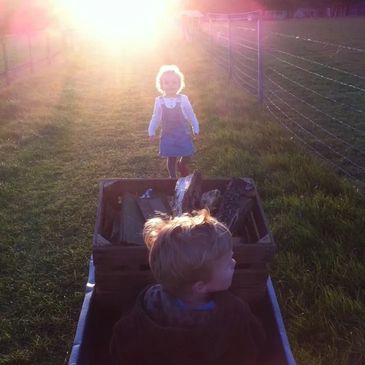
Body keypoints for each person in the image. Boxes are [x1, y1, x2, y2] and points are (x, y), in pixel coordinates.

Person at [110, 210, 266, 365]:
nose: (234, 263)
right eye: (227, 264)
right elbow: (252, 346)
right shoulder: (233, 314)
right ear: (200, 287)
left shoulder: (143, 309)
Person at [148, 64, 199, 178]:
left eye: (174, 82)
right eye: (167, 83)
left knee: (188, 153)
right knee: (171, 156)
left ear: (179, 84)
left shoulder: (183, 99)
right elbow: (155, 117)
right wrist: (151, 131)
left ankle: (181, 164)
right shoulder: (159, 101)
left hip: (182, 133)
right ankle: (172, 177)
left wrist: (195, 128)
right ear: (161, 85)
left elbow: (191, 114)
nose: (171, 85)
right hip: (168, 134)